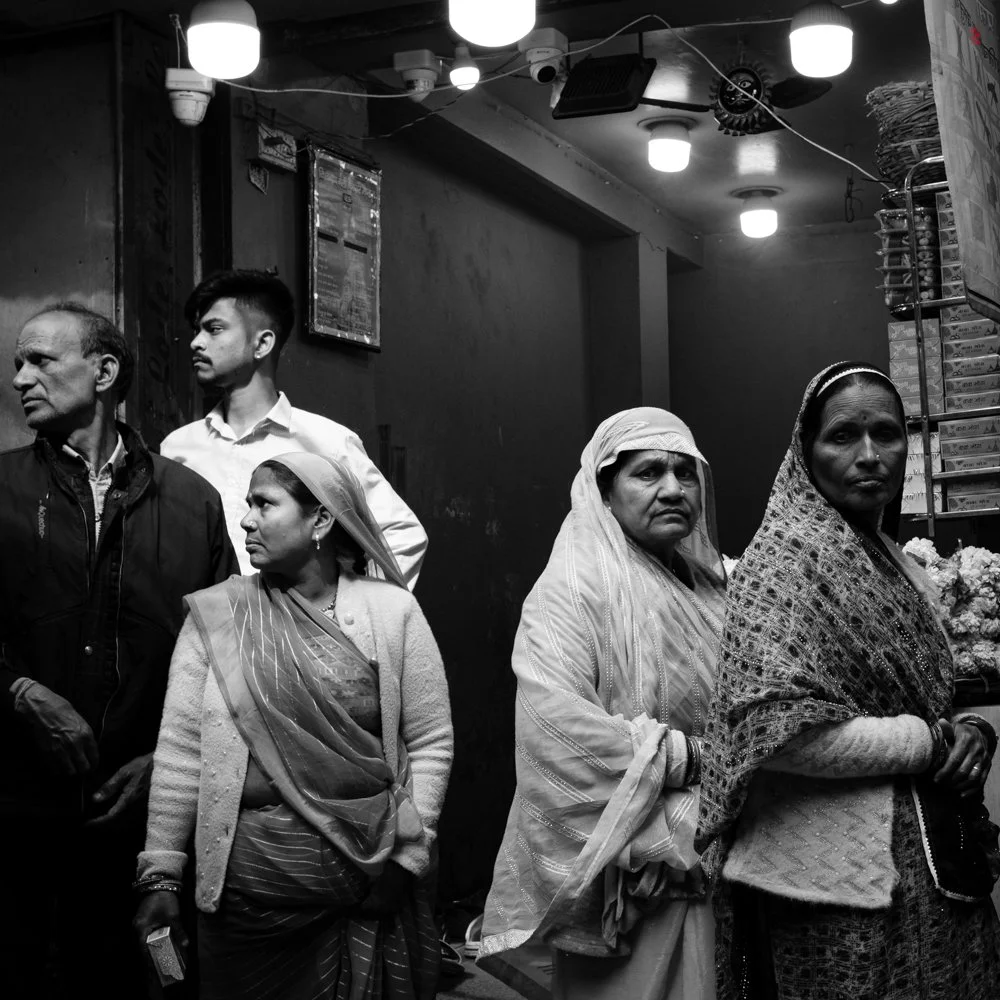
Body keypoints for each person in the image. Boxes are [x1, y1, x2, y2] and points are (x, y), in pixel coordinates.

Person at [697, 362, 1000, 999]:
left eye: (886, 434)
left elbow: (923, 697)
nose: (869, 455)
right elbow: (776, 732)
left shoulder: (885, 556)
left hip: (931, 860)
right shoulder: (783, 563)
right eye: (842, 436)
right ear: (804, 451)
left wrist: (968, 731)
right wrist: (929, 742)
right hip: (833, 888)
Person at [134, 452, 453, 999]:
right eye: (248, 505)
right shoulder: (218, 617)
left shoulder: (391, 613)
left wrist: (407, 859)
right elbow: (183, 752)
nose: (247, 520)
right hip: (246, 897)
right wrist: (162, 871)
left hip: (367, 881)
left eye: (265, 504)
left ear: (321, 521)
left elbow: (430, 743)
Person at [0, 302, 237, 999]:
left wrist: (169, 758)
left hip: (139, 815)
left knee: (127, 980)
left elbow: (225, 657)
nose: (20, 378)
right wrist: (18, 692)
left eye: (40, 360)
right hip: (13, 806)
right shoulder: (1, 488)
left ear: (103, 371)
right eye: (18, 363)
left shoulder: (191, 502)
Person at [479, 408, 727, 1000]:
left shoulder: (718, 586)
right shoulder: (572, 587)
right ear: (604, 491)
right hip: (630, 873)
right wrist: (689, 762)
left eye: (685, 473)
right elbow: (555, 732)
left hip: (722, 857)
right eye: (647, 473)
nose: (673, 489)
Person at [159, 269, 428, 585]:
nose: (196, 342)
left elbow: (403, 533)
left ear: (263, 343)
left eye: (214, 329)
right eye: (196, 331)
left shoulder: (326, 441)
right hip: (205, 627)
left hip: (296, 631)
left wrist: (352, 612)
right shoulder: (177, 447)